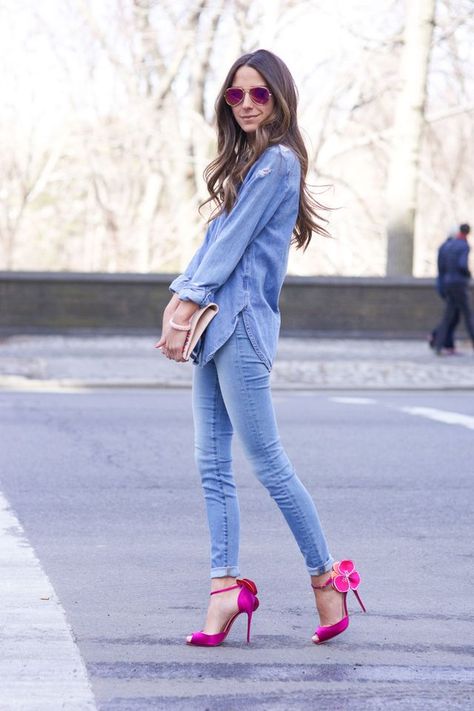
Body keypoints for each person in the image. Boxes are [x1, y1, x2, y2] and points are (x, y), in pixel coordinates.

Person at [156, 49, 365, 647]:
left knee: (268, 462)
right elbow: (212, 243)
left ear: (280, 98)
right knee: (210, 463)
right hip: (214, 327)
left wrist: (184, 302)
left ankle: (326, 576)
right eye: (236, 95)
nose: (246, 104)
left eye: (259, 94)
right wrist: (183, 302)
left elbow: (234, 246)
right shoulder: (247, 161)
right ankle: (225, 587)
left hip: (240, 326)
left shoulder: (277, 162)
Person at [433, 223, 474, 355]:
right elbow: (462, 264)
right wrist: (468, 274)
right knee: (468, 315)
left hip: (448, 283)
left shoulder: (449, 245)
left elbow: (443, 265)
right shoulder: (464, 245)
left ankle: (438, 345)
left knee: (447, 316)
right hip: (459, 284)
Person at [429, 233, 460, 353]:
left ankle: (441, 339)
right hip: (450, 286)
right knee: (451, 316)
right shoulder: (451, 248)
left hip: (444, 285)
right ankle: (442, 341)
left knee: (452, 315)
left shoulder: (444, 247)